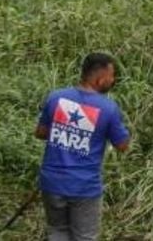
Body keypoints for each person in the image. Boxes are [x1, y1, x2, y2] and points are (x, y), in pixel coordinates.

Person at [35, 52, 131, 241]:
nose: (113, 80)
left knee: (57, 231)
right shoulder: (109, 108)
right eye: (111, 76)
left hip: (52, 182)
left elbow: (40, 133)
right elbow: (122, 145)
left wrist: (66, 130)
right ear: (100, 77)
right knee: (85, 237)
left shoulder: (56, 98)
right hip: (84, 187)